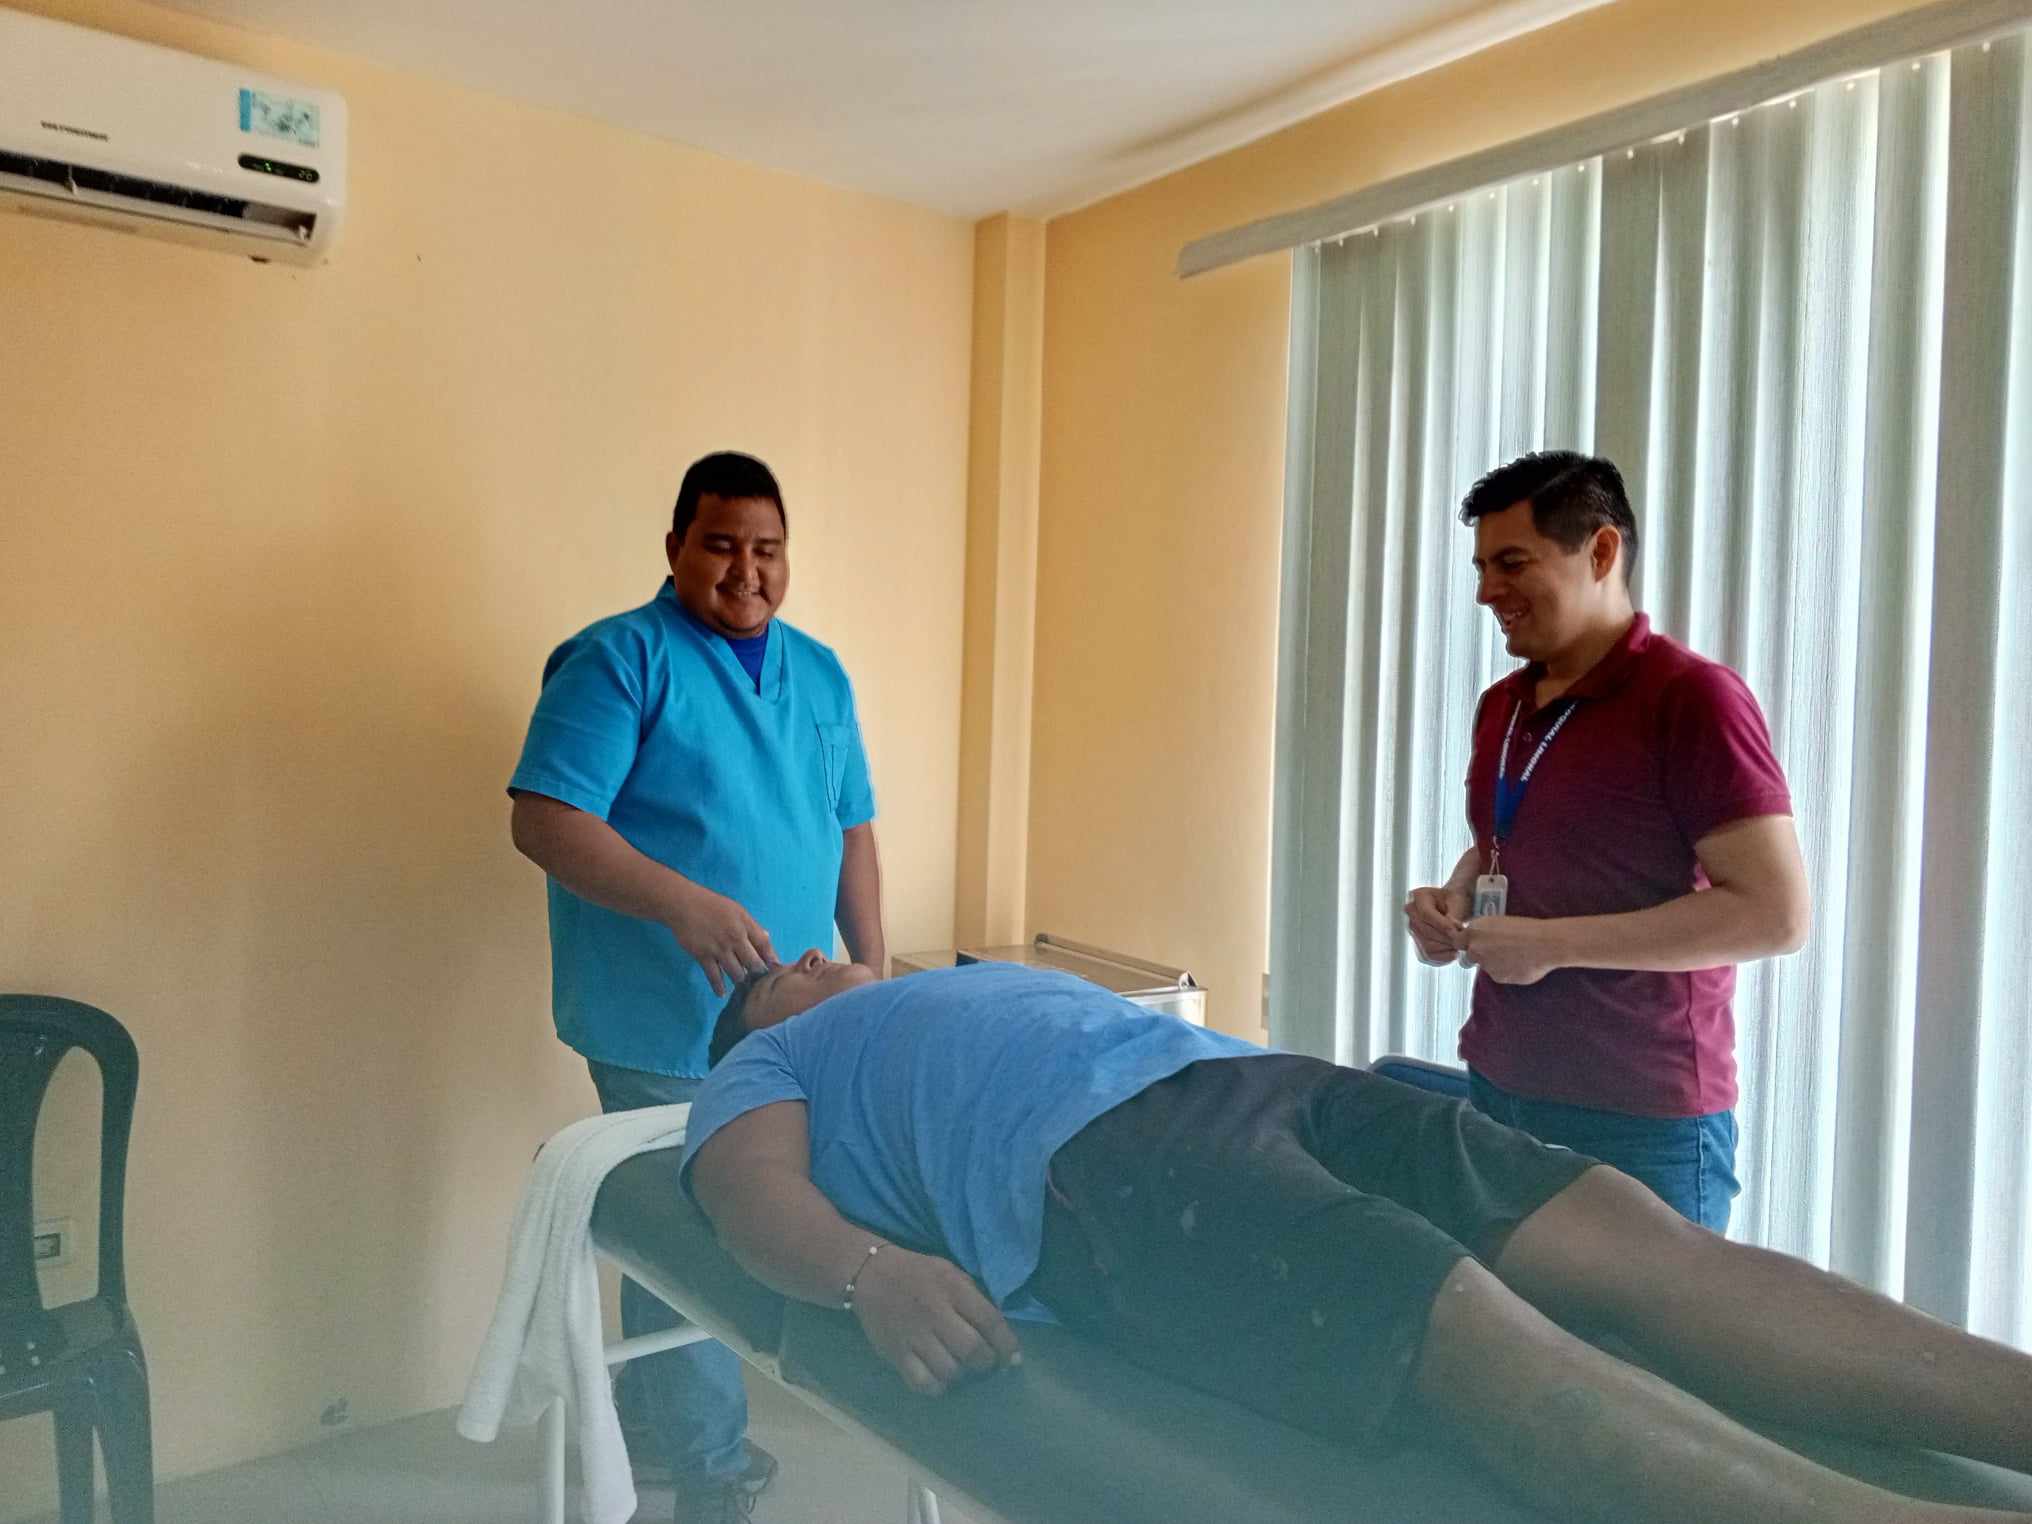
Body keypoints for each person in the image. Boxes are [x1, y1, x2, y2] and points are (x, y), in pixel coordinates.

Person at [684, 955, 2032, 1524]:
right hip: (1106, 1169)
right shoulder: (767, 1060)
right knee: (1484, 1337)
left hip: (1269, 1081)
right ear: (760, 1017)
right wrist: (868, 1273)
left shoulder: (950, 983)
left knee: (1651, 1252)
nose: (812, 954)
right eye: (786, 966)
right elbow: (750, 1192)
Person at [508, 450, 885, 1521]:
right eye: (722, 545)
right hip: (657, 1017)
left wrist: (876, 973)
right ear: (676, 546)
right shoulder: (618, 659)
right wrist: (682, 904)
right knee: (697, 1232)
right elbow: (545, 818)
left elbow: (852, 830)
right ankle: (710, 1468)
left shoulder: (820, 674)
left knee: (739, 1212)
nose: (746, 571)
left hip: (789, 1017)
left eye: (768, 549)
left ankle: (658, 1419)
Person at [1404, 451, 1809, 1231]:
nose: (1487, 592)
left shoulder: (1693, 699)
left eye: (1511, 564)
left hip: (1639, 1122)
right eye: (1481, 568)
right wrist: (1452, 898)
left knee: (1638, 1320)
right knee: (1498, 1313)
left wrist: (1553, 944)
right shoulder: (1504, 705)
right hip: (1499, 1087)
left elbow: (1775, 914)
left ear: (1600, 552)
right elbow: (1508, 842)